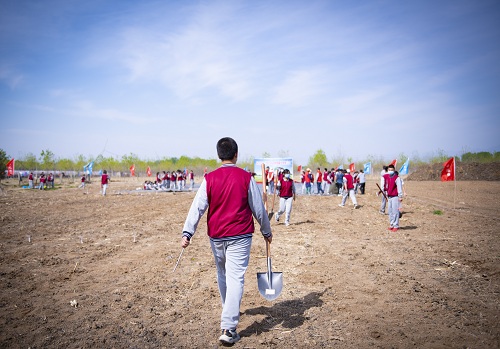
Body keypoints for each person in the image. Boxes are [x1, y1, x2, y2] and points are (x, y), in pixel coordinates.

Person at [180, 137, 272, 345]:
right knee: (235, 277)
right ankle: (229, 328)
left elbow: (197, 207)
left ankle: (228, 307)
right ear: (236, 154)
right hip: (239, 235)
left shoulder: (209, 178)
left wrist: (187, 232)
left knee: (223, 273)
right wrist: (266, 230)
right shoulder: (245, 177)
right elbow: (258, 208)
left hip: (217, 235)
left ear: (219, 155)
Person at [383, 164, 403, 231]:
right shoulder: (388, 177)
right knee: (390, 211)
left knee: (395, 211)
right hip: (389, 197)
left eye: (391, 170)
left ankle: (396, 225)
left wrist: (400, 196)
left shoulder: (397, 178)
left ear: (394, 170)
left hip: (395, 196)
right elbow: (387, 187)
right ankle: (391, 224)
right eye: (389, 170)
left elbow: (399, 187)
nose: (390, 171)